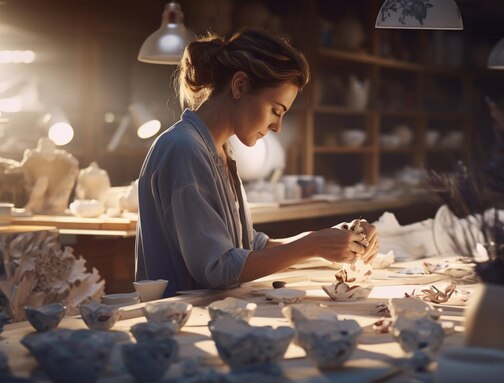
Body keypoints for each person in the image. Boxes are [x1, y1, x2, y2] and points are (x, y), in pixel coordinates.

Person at [136, 28, 379, 297]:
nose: (277, 126)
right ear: (239, 86)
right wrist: (311, 245)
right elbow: (218, 268)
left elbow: (249, 247)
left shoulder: (220, 151)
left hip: (211, 315)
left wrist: (328, 240)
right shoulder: (183, 149)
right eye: (276, 110)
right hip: (173, 324)